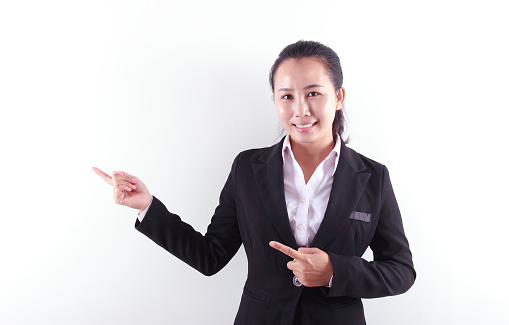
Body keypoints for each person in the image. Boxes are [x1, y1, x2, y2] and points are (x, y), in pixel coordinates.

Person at [93, 40, 415, 325]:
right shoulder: (248, 168)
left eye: (313, 93)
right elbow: (210, 255)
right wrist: (147, 207)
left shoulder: (373, 178)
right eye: (286, 95)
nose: (300, 110)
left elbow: (401, 271)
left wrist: (333, 271)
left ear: (339, 96)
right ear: (275, 100)